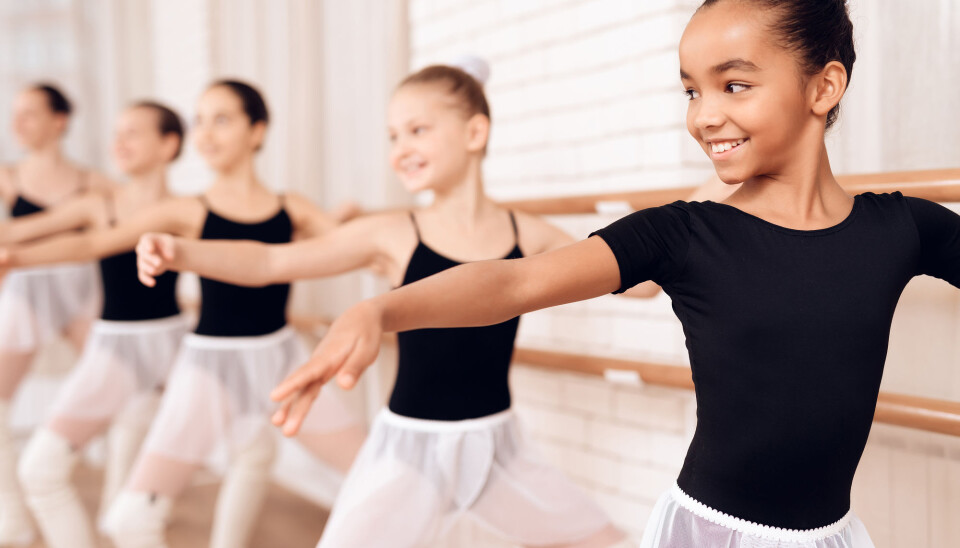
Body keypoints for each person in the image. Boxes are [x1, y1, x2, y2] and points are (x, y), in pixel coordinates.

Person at [267, 1, 956, 546]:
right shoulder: (683, 234)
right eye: (691, 90)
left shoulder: (900, 229)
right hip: (710, 535)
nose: (705, 114)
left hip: (833, 535)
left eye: (734, 84)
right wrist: (380, 312)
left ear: (823, 85)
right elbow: (512, 284)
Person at [0, 80, 364, 548]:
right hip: (207, 363)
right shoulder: (185, 209)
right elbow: (95, 242)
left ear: (257, 131)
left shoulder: (291, 207)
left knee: (366, 473)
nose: (206, 133)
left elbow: (353, 243)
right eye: (200, 121)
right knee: (134, 515)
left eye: (222, 119)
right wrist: (17, 257)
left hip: (283, 359)